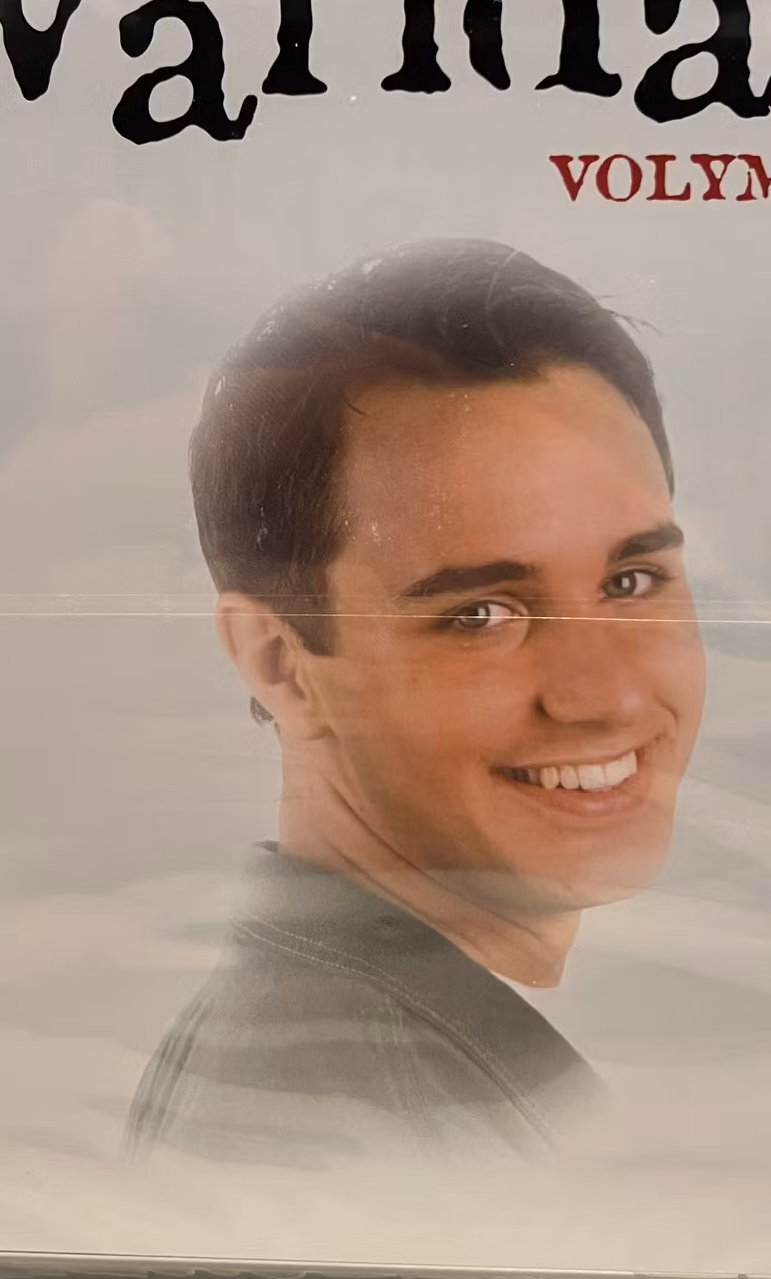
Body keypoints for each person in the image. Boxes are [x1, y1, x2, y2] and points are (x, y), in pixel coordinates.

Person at [128, 239, 706, 1167]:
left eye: (631, 581)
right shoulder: (353, 1131)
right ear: (280, 664)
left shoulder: (356, 1057)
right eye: (481, 614)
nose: (607, 696)